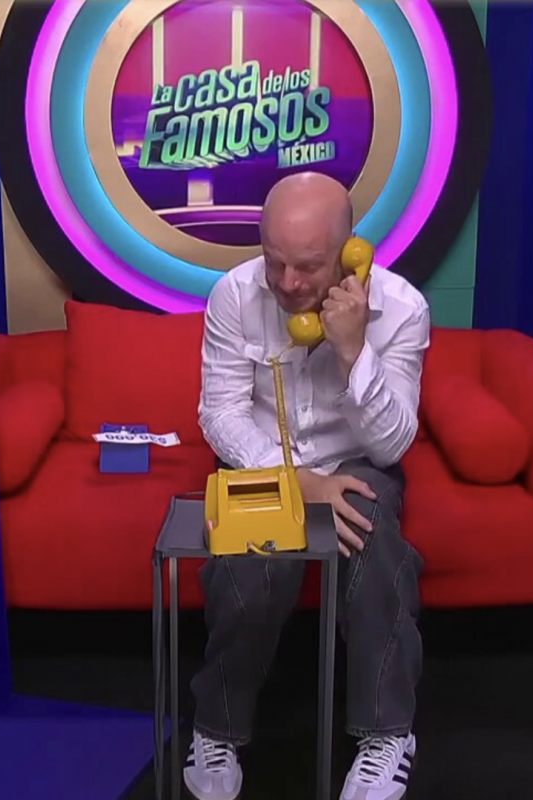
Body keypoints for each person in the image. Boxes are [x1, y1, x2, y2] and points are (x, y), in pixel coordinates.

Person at [187, 172, 430, 800]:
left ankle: (387, 734)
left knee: (375, 547)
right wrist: (294, 480)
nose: (289, 284)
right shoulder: (234, 295)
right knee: (249, 564)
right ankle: (217, 727)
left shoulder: (403, 309)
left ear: (351, 253)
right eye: (275, 262)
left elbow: (392, 446)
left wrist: (354, 354)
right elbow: (221, 413)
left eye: (309, 267)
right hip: (265, 461)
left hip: (358, 462)